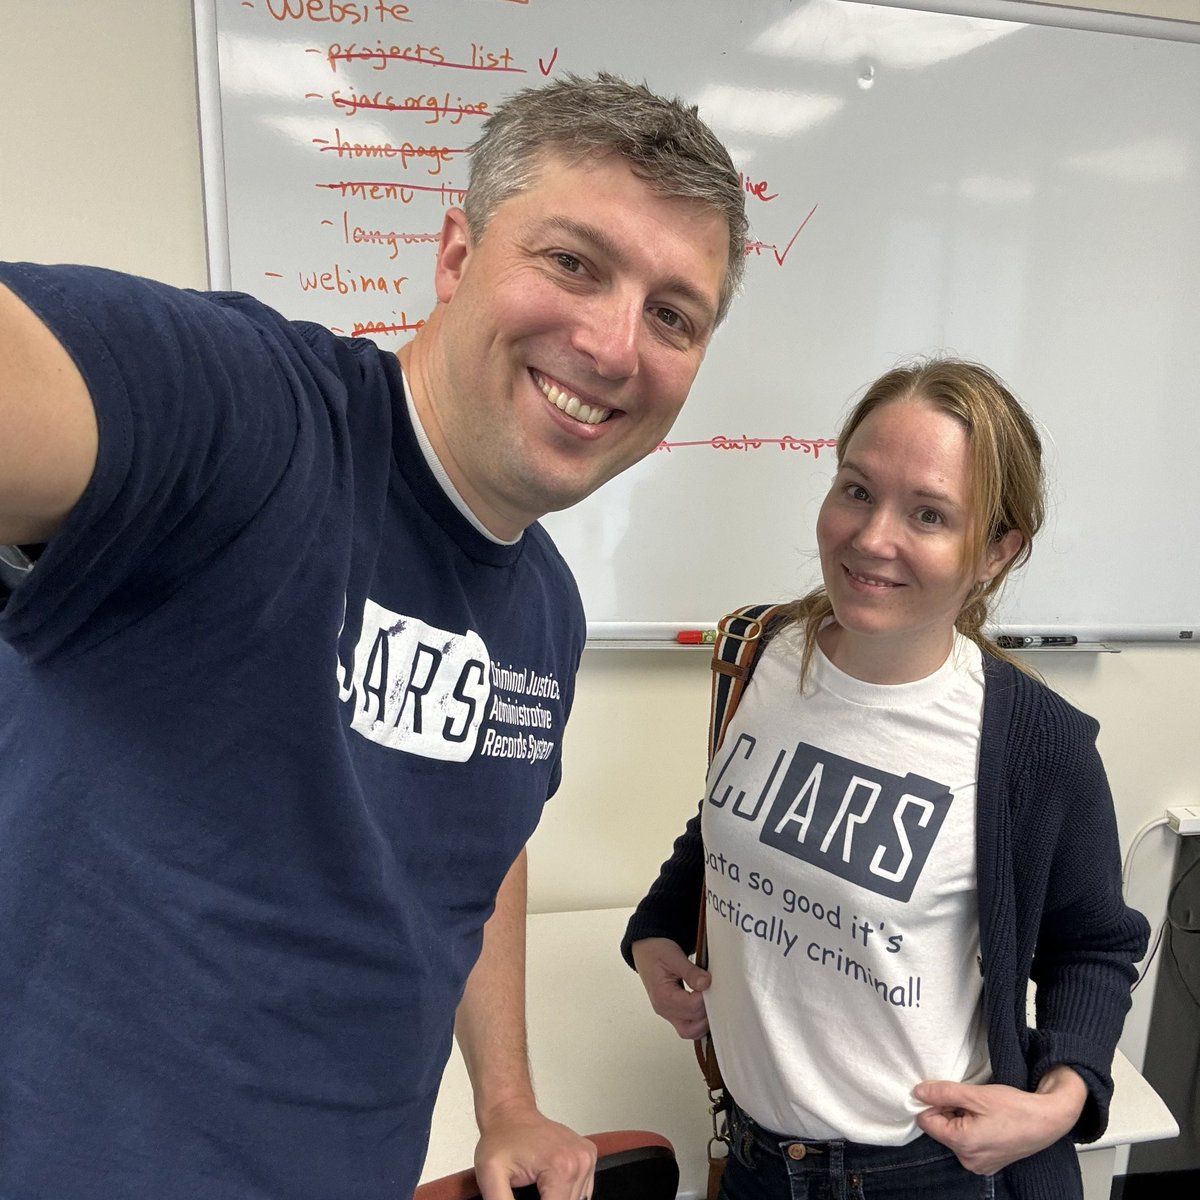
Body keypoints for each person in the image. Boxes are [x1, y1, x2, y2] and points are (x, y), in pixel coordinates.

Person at [0, 73, 748, 1200]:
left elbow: (476, 836)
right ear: (456, 256)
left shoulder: (545, 608)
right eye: (573, 262)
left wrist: (506, 1103)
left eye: (673, 314)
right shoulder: (262, 423)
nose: (611, 343)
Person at [622, 360, 1150, 1200]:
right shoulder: (756, 653)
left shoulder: (1033, 745)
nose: (872, 539)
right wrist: (654, 930)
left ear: (997, 551)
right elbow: (731, 819)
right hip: (756, 1159)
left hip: (920, 1172)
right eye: (857, 490)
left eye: (930, 514)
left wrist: (1062, 1099)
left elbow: (1094, 940)